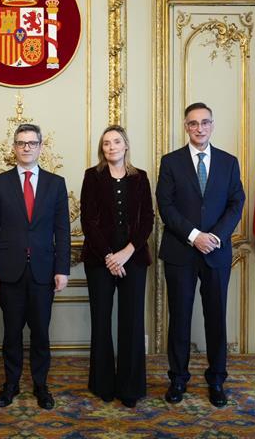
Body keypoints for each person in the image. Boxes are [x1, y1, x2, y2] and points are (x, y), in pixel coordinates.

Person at [156, 102, 245, 408]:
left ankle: (217, 379)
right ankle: (178, 379)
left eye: (205, 122)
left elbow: (237, 202)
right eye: (193, 123)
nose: (199, 128)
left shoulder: (229, 162)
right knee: (179, 318)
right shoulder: (170, 162)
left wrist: (214, 237)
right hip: (181, 251)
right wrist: (195, 237)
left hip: (217, 253)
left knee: (216, 318)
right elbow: (165, 206)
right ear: (186, 127)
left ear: (212, 125)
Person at [0, 123, 70, 410]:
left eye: (32, 143)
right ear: (14, 147)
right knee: (11, 333)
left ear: (41, 147)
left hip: (44, 272)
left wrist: (62, 269)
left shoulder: (56, 184)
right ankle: (10, 385)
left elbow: (62, 230)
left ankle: (41, 385)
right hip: (8, 271)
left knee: (41, 334)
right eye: (21, 143)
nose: (26, 148)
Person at [80, 125, 154, 408]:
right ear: (103, 149)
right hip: (100, 261)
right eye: (106, 143)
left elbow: (146, 219)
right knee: (101, 322)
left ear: (126, 146)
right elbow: (89, 221)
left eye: (116, 142)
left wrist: (125, 253)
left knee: (132, 323)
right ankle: (103, 384)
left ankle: (130, 387)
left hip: (133, 259)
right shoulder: (92, 176)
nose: (111, 147)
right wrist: (110, 257)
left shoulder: (141, 178)